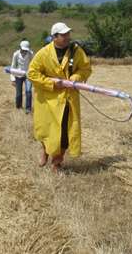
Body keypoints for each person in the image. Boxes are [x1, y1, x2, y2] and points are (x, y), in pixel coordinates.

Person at [27, 22, 92, 172]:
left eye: (68, 34)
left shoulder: (76, 51)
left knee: (64, 132)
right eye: (63, 35)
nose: (67, 37)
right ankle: (45, 151)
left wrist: (75, 77)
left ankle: (57, 162)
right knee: (46, 129)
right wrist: (51, 84)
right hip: (48, 99)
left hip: (68, 99)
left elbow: (85, 68)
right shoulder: (43, 53)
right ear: (54, 37)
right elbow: (32, 73)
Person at [10, 40, 34, 114]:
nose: (24, 51)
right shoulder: (16, 54)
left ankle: (28, 109)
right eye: (23, 50)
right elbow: (13, 67)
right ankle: (18, 107)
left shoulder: (31, 54)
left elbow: (33, 65)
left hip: (28, 75)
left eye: (25, 50)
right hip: (18, 75)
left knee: (28, 91)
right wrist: (12, 79)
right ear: (20, 48)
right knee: (18, 93)